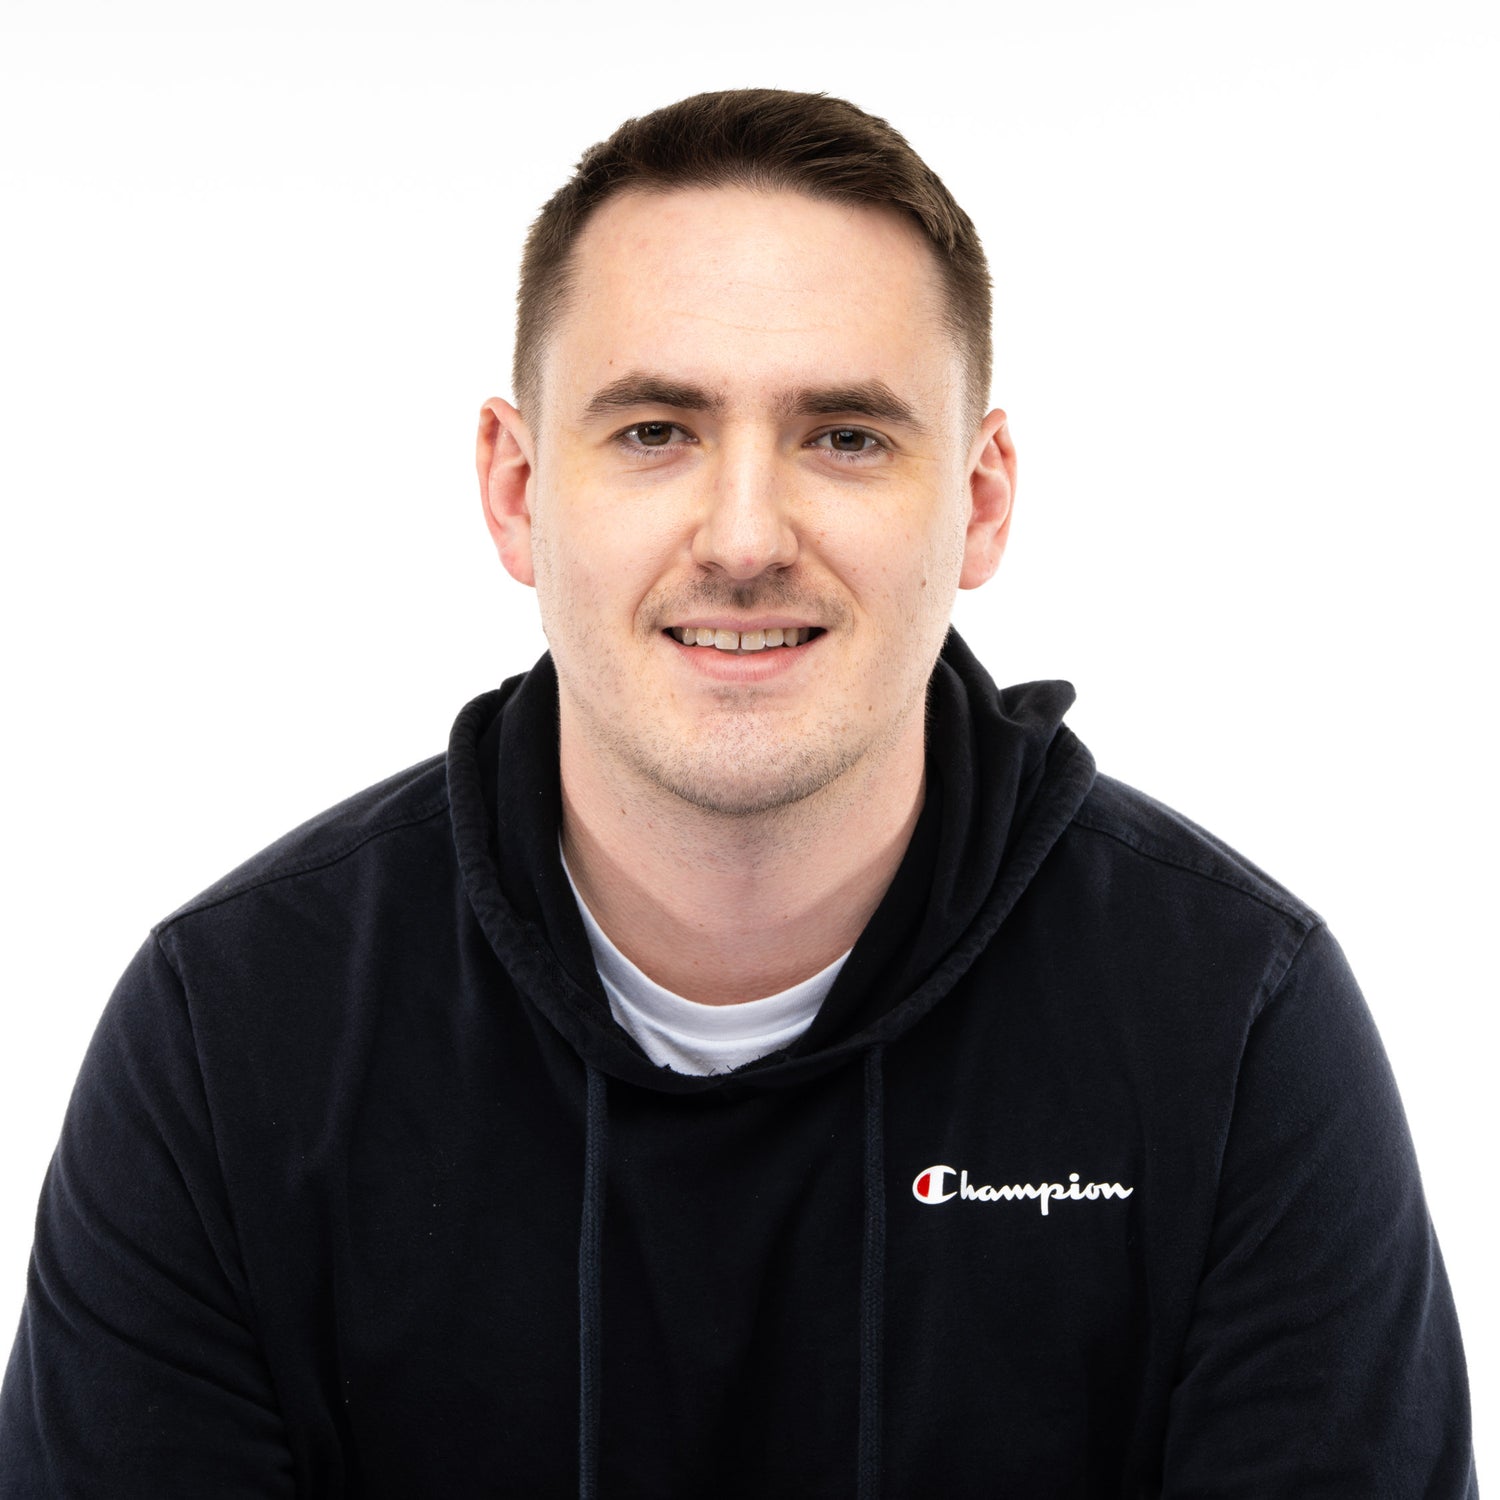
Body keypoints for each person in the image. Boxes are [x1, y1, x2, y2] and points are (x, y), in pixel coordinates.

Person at [0, 87, 1476, 1498]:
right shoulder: (234, 1033)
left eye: (845, 436)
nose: (746, 535)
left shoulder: (1229, 1023)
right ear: (517, 490)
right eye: (655, 431)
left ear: (979, 500)